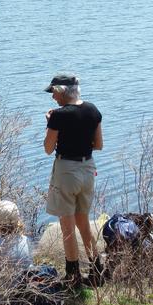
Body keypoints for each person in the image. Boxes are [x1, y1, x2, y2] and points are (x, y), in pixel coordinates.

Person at [43, 74, 103, 288]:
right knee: (83, 223)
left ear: (62, 91)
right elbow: (98, 144)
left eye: (54, 92)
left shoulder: (59, 116)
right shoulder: (93, 110)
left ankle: (73, 277)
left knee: (67, 227)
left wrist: (50, 124)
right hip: (87, 169)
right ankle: (97, 271)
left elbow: (48, 149)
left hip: (66, 171)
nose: (53, 98)